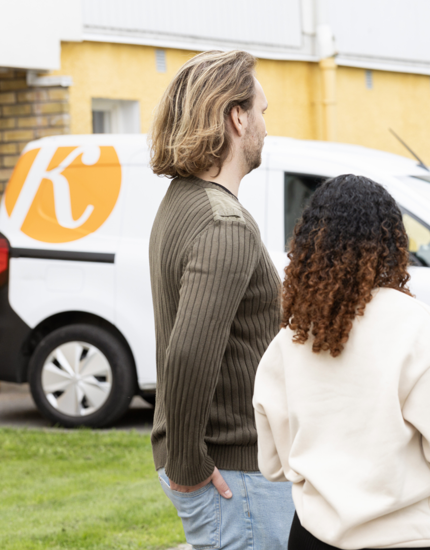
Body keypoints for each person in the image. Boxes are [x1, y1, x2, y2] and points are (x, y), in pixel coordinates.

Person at [253, 174, 430, 550]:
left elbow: (273, 465)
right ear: (391, 241)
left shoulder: (292, 337)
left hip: (313, 536)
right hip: (401, 537)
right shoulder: (416, 326)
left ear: (310, 242)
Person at [148, 50, 293, 548]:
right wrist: (188, 466)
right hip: (237, 476)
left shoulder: (183, 201)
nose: (265, 128)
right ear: (237, 117)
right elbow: (189, 353)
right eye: (262, 111)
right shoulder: (222, 223)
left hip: (228, 470)